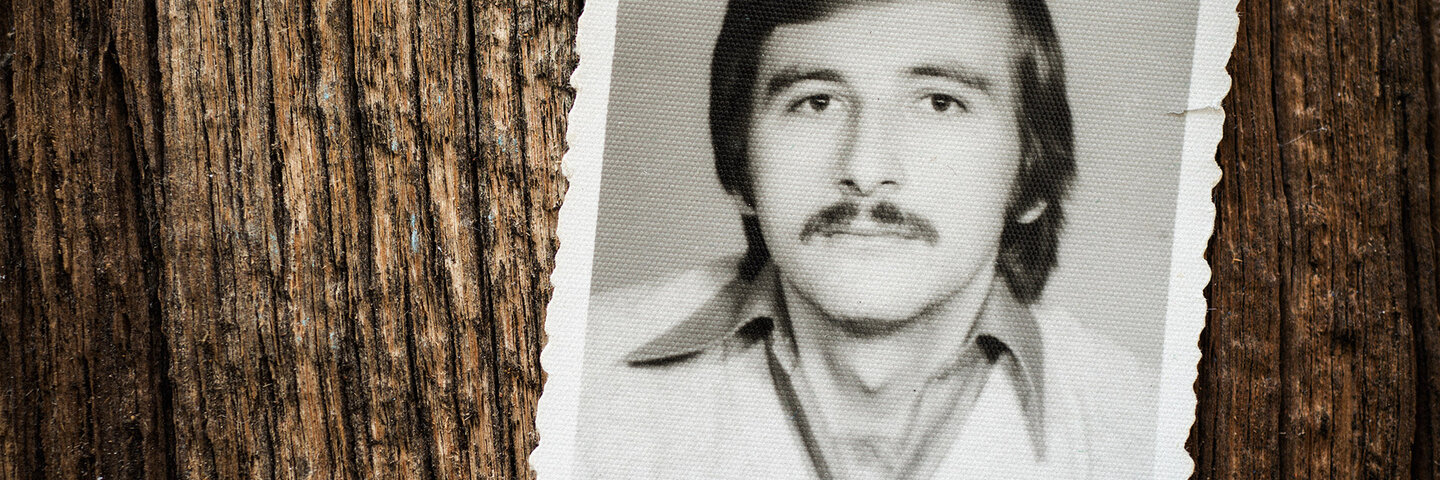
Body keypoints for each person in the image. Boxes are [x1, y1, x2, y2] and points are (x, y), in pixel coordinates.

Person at [578, 0, 1149, 478]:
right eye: (816, 101)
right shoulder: (564, 374)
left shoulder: (1149, 430)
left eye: (939, 102)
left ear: (1030, 176)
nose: (866, 167)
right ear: (742, 160)